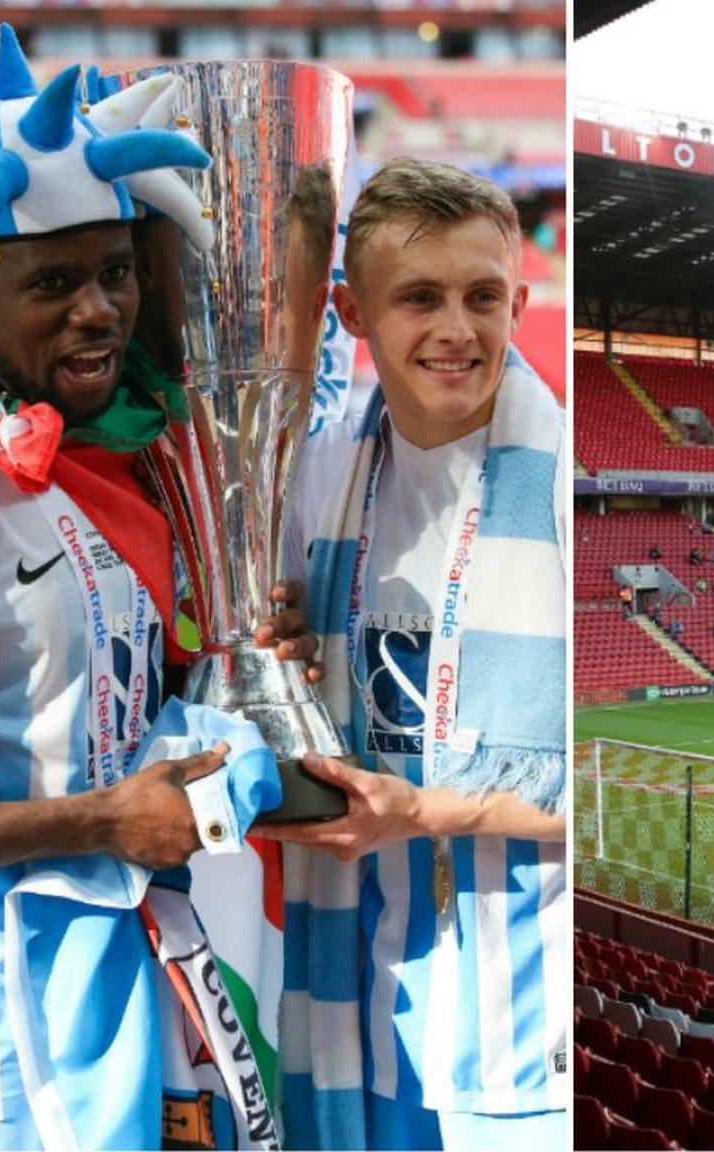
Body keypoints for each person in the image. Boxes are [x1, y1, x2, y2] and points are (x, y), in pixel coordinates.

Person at [0, 26, 315, 1148]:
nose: (97, 310)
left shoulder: (115, 466)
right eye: (53, 283)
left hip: (125, 998)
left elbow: (101, 707)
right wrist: (101, 820)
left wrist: (233, 664)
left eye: (114, 273)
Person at [260, 158, 566, 1151]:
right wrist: (286, 661)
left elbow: (622, 796)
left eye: (481, 298)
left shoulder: (565, 488)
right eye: (419, 297)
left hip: (519, 1023)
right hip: (365, 1000)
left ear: (519, 301)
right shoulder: (319, 478)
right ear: (349, 312)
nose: (455, 330)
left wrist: (426, 812)